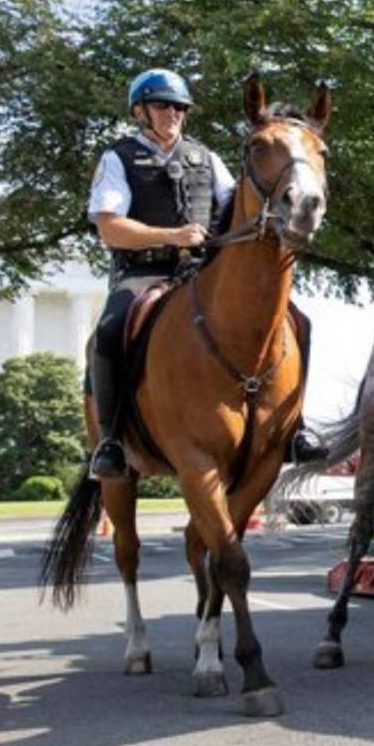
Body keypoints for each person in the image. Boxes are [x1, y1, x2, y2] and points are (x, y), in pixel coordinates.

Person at [86, 68, 325, 479]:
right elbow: (110, 226)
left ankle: (294, 429)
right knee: (109, 332)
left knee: (297, 321)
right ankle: (111, 443)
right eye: (162, 105)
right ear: (140, 111)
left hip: (202, 267)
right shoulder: (118, 158)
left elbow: (238, 203)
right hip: (144, 272)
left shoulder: (204, 157)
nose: (172, 113)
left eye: (179, 107)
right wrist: (171, 235)